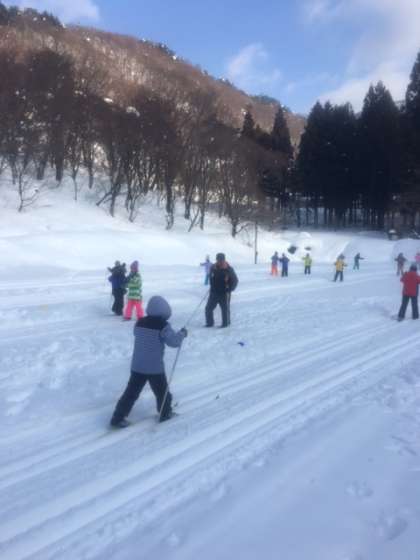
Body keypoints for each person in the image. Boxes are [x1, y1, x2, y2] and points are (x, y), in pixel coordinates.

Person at [110, 295, 188, 427]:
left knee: (130, 393)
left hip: (138, 366)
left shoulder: (139, 322)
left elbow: (137, 334)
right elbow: (174, 342)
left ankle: (117, 418)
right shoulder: (163, 326)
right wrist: (182, 334)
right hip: (154, 368)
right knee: (162, 392)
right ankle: (165, 413)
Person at [205, 253, 238, 328]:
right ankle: (209, 323)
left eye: (221, 260)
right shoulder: (213, 267)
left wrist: (230, 289)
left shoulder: (228, 269)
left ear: (224, 260)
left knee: (225, 309)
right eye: (218, 260)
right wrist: (212, 285)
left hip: (224, 293)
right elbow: (211, 277)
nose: (219, 261)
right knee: (208, 308)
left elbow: (235, 280)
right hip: (214, 292)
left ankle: (226, 323)